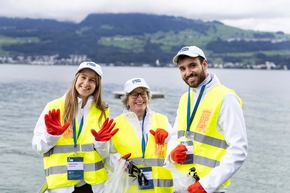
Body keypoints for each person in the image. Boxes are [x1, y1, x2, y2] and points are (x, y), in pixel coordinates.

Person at [169, 46, 248, 193]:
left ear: (204, 64)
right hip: (182, 186)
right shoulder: (185, 98)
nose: (188, 73)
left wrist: (207, 185)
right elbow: (175, 135)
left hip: (209, 189)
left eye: (192, 65)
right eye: (182, 69)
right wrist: (172, 154)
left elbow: (239, 149)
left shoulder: (226, 98)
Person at [32, 61, 118, 193]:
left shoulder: (103, 111)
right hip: (61, 187)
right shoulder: (53, 107)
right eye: (83, 77)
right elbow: (38, 147)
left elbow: (105, 154)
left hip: (93, 186)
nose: (86, 83)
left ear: (97, 85)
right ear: (76, 78)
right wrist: (51, 136)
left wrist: (101, 143)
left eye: (92, 80)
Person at [106, 77, 176, 193]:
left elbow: (174, 149)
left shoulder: (162, 120)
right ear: (126, 99)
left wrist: (169, 138)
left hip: (161, 190)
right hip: (130, 189)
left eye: (143, 94)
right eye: (134, 94)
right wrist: (118, 162)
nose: (139, 98)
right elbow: (106, 155)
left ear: (148, 97)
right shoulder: (115, 124)